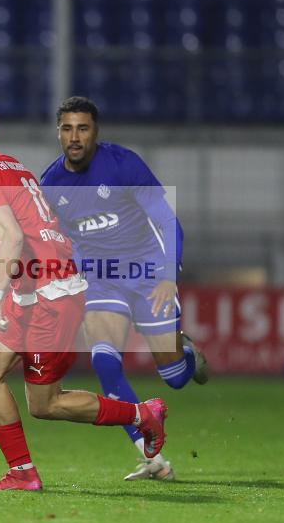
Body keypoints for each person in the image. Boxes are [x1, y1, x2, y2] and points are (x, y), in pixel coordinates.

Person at [0, 98, 169, 491]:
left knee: (46, 404)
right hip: (38, 290)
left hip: (50, 296)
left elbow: (10, 238)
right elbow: (9, 241)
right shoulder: (14, 168)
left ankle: (141, 415)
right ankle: (22, 473)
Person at [39, 96, 209, 481]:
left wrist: (169, 275)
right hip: (101, 278)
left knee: (176, 379)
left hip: (150, 273)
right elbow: (58, 242)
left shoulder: (123, 164)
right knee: (104, 364)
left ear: (95, 132)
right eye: (67, 128)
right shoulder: (50, 185)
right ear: (59, 133)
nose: (74, 137)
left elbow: (167, 220)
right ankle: (153, 459)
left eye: (83, 128)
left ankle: (185, 353)